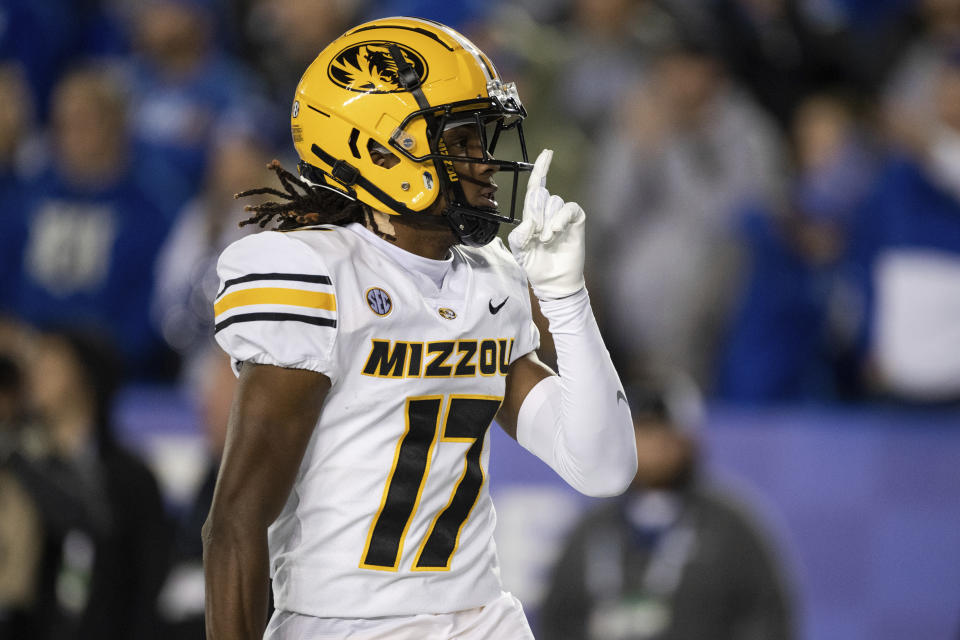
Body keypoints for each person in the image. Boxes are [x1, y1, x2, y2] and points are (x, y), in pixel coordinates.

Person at [202, 17, 637, 640]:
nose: (485, 163)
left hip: (484, 617)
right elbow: (236, 522)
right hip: (345, 624)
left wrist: (565, 297)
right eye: (460, 143)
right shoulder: (313, 272)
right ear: (377, 152)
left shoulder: (490, 281)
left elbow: (603, 466)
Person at [539, 372, 794, 640]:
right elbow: (556, 618)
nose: (653, 445)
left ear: (688, 440)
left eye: (663, 430)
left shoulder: (731, 529)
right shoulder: (591, 531)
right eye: (642, 431)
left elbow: (768, 617)